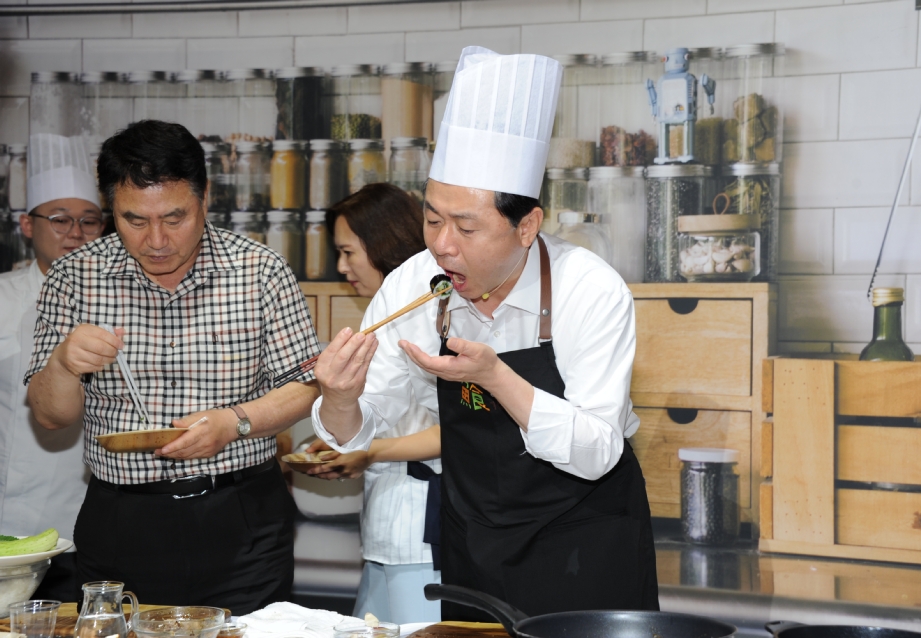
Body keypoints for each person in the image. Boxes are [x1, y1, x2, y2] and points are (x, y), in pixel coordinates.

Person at [311, 47, 659, 621]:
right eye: (432, 218)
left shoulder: (588, 289)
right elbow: (357, 431)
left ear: (527, 226)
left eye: (467, 226)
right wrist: (341, 399)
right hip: (474, 543)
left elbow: (599, 450)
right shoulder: (414, 283)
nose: (443, 245)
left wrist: (496, 376)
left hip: (586, 543)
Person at [24, 120, 321, 614]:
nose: (156, 239)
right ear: (111, 209)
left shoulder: (259, 271)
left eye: (175, 217)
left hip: (241, 515)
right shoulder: (75, 276)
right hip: (121, 518)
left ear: (205, 200)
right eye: (135, 220)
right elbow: (51, 416)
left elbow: (305, 385)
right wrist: (63, 364)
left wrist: (234, 421)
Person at [302, 183, 443, 623]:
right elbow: (368, 416)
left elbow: (458, 430)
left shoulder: (438, 311)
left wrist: (367, 450)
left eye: (348, 252)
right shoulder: (379, 318)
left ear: (381, 244)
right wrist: (341, 436)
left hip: (427, 527)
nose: (342, 267)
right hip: (384, 528)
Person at [0, 133, 105, 602]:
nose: (75, 233)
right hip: (7, 523)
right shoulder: (2, 297)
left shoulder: (119, 302)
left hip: (91, 521)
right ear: (27, 224)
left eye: (89, 221)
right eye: (59, 219)